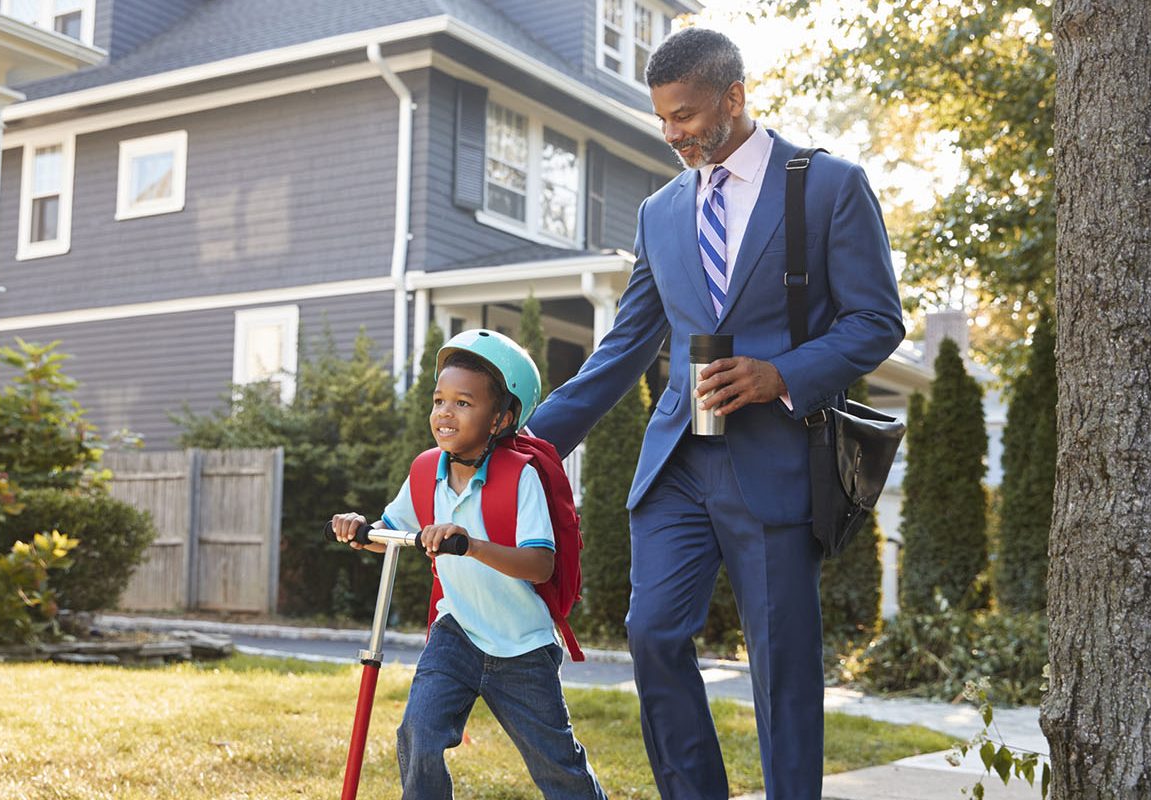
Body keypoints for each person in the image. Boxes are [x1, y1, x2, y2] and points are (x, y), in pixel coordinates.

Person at [522, 27, 906, 800]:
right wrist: (527, 439)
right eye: (662, 119)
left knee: (782, 666)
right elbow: (624, 346)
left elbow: (877, 322)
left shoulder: (827, 186)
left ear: (734, 97)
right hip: (677, 466)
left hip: (775, 464)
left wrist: (781, 374)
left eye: (686, 115)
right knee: (652, 634)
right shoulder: (660, 212)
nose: (673, 134)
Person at [331, 329, 605, 800]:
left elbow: (540, 565)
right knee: (418, 736)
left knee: (556, 765)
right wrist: (362, 531)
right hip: (456, 633)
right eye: (439, 400)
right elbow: (391, 533)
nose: (444, 412)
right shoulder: (424, 471)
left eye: (463, 403)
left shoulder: (521, 478)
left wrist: (472, 544)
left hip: (522, 647)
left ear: (501, 418)